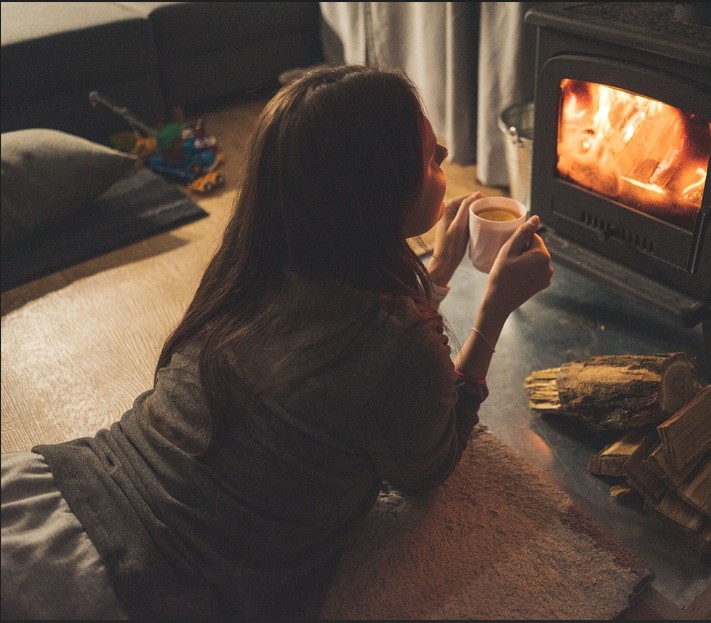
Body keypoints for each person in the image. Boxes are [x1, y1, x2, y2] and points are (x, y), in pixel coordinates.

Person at [0, 64, 553, 619]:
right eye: (429, 152)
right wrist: (494, 310)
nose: (446, 151)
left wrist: (433, 277)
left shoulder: (253, 265)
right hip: (128, 581)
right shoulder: (400, 347)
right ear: (375, 189)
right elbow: (427, 470)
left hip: (57, 492)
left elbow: (345, 357)